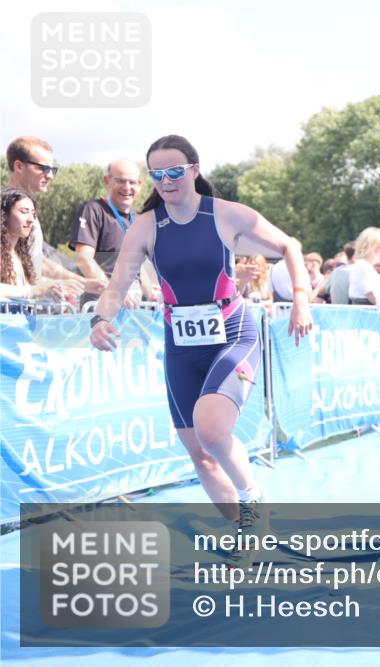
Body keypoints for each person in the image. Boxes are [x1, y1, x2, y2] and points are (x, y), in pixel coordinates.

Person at [88, 135, 313, 556]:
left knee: (212, 429)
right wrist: (102, 319)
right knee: (201, 455)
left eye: (175, 171)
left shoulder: (226, 215)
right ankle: (249, 538)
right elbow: (119, 283)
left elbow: (290, 246)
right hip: (181, 344)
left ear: (194, 170)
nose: (166, 180)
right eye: (157, 174)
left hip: (234, 333)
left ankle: (253, 502)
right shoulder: (146, 226)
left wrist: (301, 299)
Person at [5, 136, 100, 293]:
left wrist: (82, 283)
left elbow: (36, 260)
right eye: (44, 169)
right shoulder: (4, 208)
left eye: (52, 170)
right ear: (19, 166)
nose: (50, 176)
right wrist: (34, 291)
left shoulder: (29, 210)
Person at [70, 159, 161, 307]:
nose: (127, 187)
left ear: (140, 185)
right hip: (100, 304)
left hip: (132, 304)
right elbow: (83, 259)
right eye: (120, 181)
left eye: (132, 182)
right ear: (107, 181)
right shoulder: (93, 210)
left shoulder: (138, 219)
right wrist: (113, 293)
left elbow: (137, 266)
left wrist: (151, 293)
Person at [1, 187, 83, 304]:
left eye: (33, 214)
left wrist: (52, 292)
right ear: (4, 215)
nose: (31, 220)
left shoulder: (21, 255)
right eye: (24, 212)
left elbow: (26, 294)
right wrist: (33, 291)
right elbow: (28, 292)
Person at [348, 227, 380, 306]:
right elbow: (374, 298)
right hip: (364, 313)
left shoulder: (367, 267)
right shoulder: (362, 266)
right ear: (370, 245)